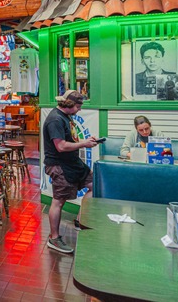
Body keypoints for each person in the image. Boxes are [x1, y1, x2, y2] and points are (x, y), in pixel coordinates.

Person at [43, 90, 98, 254]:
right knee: (58, 201)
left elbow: (70, 140)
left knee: (94, 185)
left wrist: (85, 141)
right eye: (78, 106)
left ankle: (81, 221)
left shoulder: (66, 117)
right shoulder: (55, 119)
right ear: (69, 105)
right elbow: (61, 146)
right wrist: (84, 145)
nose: (79, 109)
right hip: (59, 165)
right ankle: (54, 238)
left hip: (73, 163)